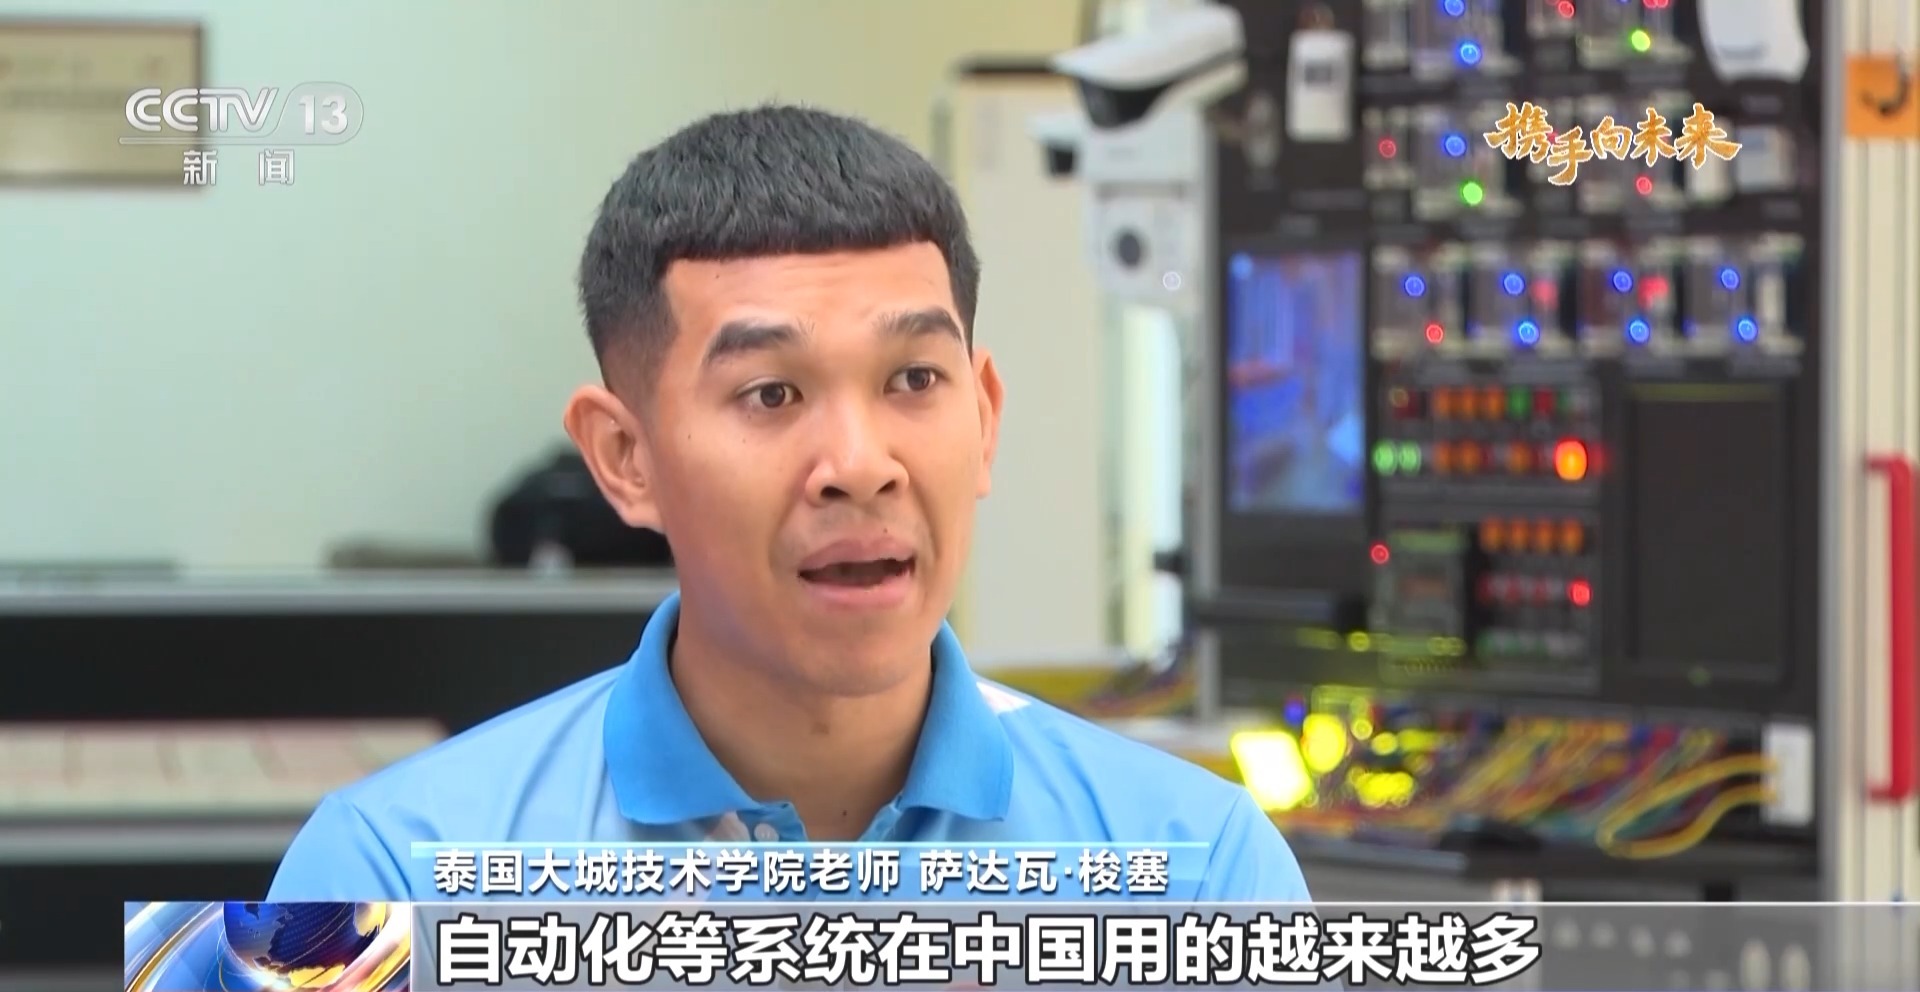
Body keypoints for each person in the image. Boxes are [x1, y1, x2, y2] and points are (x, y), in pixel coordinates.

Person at [267, 105, 1312, 904]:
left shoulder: (1198, 866)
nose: (860, 465)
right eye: (771, 394)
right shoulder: (392, 872)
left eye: (914, 379)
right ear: (625, 458)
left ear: (985, 418)